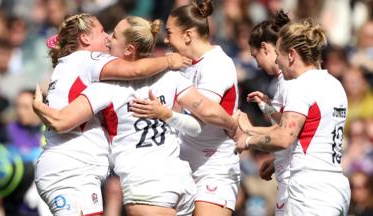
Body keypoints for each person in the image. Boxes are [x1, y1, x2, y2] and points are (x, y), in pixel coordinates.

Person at [33, 16, 238, 216]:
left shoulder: (105, 87)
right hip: (180, 181)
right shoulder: (173, 76)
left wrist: (39, 108)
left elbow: (62, 120)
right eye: (105, 33)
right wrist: (234, 124)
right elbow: (203, 118)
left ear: (129, 49)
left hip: (145, 186)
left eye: (113, 36)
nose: (107, 38)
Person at [235, 19, 351, 215]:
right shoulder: (334, 84)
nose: (277, 62)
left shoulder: (300, 86)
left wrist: (248, 140)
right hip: (335, 187)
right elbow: (311, 132)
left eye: (278, 55)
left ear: (291, 55)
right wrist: (277, 161)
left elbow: (284, 137)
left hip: (310, 190)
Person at [162, 1, 240, 215]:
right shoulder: (184, 64)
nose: (165, 39)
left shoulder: (216, 64)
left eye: (169, 33)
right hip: (180, 166)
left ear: (187, 35)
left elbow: (201, 119)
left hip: (213, 168)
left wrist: (164, 114)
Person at [246, 10, 291, 216]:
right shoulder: (282, 82)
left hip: (299, 186)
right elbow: (289, 125)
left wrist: (247, 135)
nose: (256, 63)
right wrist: (267, 106)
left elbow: (287, 134)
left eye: (255, 56)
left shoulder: (289, 81)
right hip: (289, 177)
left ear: (265, 47)